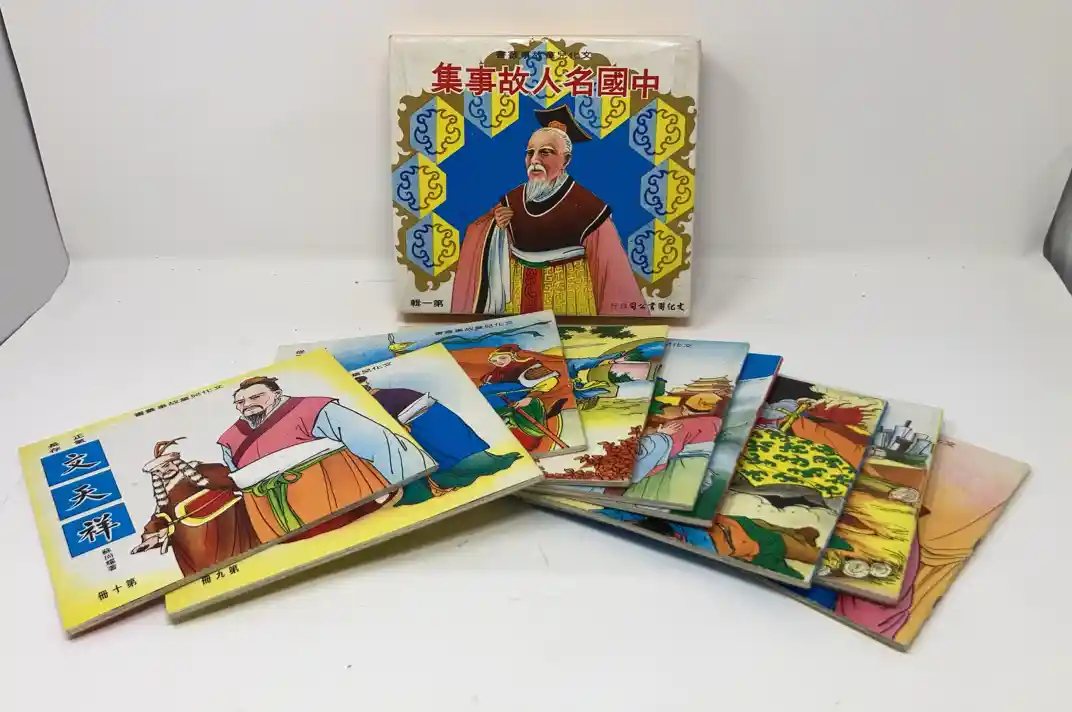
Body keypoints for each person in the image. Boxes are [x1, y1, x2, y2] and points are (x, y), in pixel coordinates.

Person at [451, 105, 649, 317]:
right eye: (530, 153)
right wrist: (497, 226)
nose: (535, 160)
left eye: (545, 152)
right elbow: (481, 233)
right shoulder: (513, 199)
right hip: (518, 297)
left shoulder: (589, 208)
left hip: (569, 297)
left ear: (566, 160)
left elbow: (611, 273)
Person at [217, 376, 435, 542]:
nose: (247, 404)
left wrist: (411, 475)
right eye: (240, 402)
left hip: (341, 493)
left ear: (277, 394)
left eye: (256, 397)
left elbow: (374, 440)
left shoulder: (312, 408)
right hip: (281, 516)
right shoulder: (230, 438)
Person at [356, 376, 521, 504]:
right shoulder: (378, 400)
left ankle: (462, 472)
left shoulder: (386, 397)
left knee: (453, 448)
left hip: (426, 420)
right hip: (425, 422)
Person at [130, 438, 259, 577]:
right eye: (158, 471)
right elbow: (160, 520)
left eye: (166, 465)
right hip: (194, 552)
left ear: (176, 461)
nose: (164, 472)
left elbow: (234, 480)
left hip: (230, 530)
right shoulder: (164, 495)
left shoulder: (203, 471)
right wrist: (153, 536)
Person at [477, 344, 567, 451]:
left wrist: (529, 398)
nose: (499, 362)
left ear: (512, 356)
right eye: (494, 361)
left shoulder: (527, 367)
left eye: (502, 358)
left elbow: (550, 381)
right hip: (495, 405)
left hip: (521, 402)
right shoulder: (493, 375)